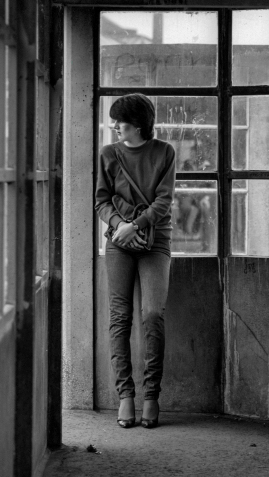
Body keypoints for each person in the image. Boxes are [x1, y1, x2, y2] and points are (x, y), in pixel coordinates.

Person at [95, 93, 176, 429]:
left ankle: (151, 395)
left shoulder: (164, 152)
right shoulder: (108, 154)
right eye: (115, 121)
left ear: (140, 124)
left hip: (155, 241)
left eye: (122, 122)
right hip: (119, 243)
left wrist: (136, 226)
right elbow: (100, 200)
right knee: (119, 317)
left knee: (153, 313)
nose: (116, 127)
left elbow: (164, 201)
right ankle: (125, 395)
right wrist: (119, 228)